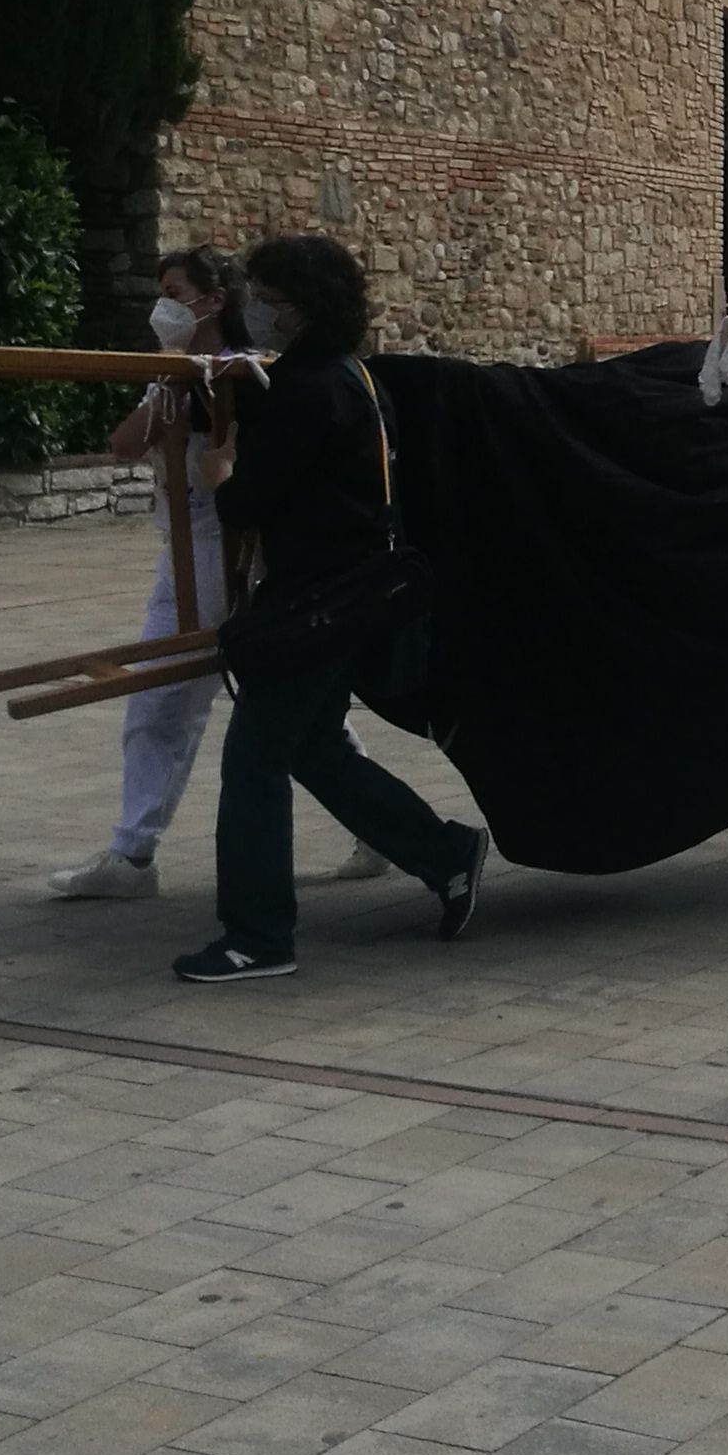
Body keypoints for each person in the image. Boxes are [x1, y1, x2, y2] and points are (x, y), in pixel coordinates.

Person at [169, 234, 491, 984]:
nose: (260, 313)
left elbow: (253, 497)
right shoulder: (355, 380)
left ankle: (257, 936)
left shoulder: (311, 391)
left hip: (314, 602)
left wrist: (220, 473)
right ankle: (443, 853)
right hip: (351, 595)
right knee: (312, 748)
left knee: (253, 764)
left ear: (305, 310)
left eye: (270, 301)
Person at [51, 249, 392, 902]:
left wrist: (204, 385)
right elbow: (124, 443)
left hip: (226, 553)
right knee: (234, 702)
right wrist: (176, 381)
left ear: (211, 300)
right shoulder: (180, 373)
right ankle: (133, 854)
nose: (165, 304)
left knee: (254, 703)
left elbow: (261, 453)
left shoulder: (249, 373)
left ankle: (134, 853)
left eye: (176, 291)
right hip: (181, 550)